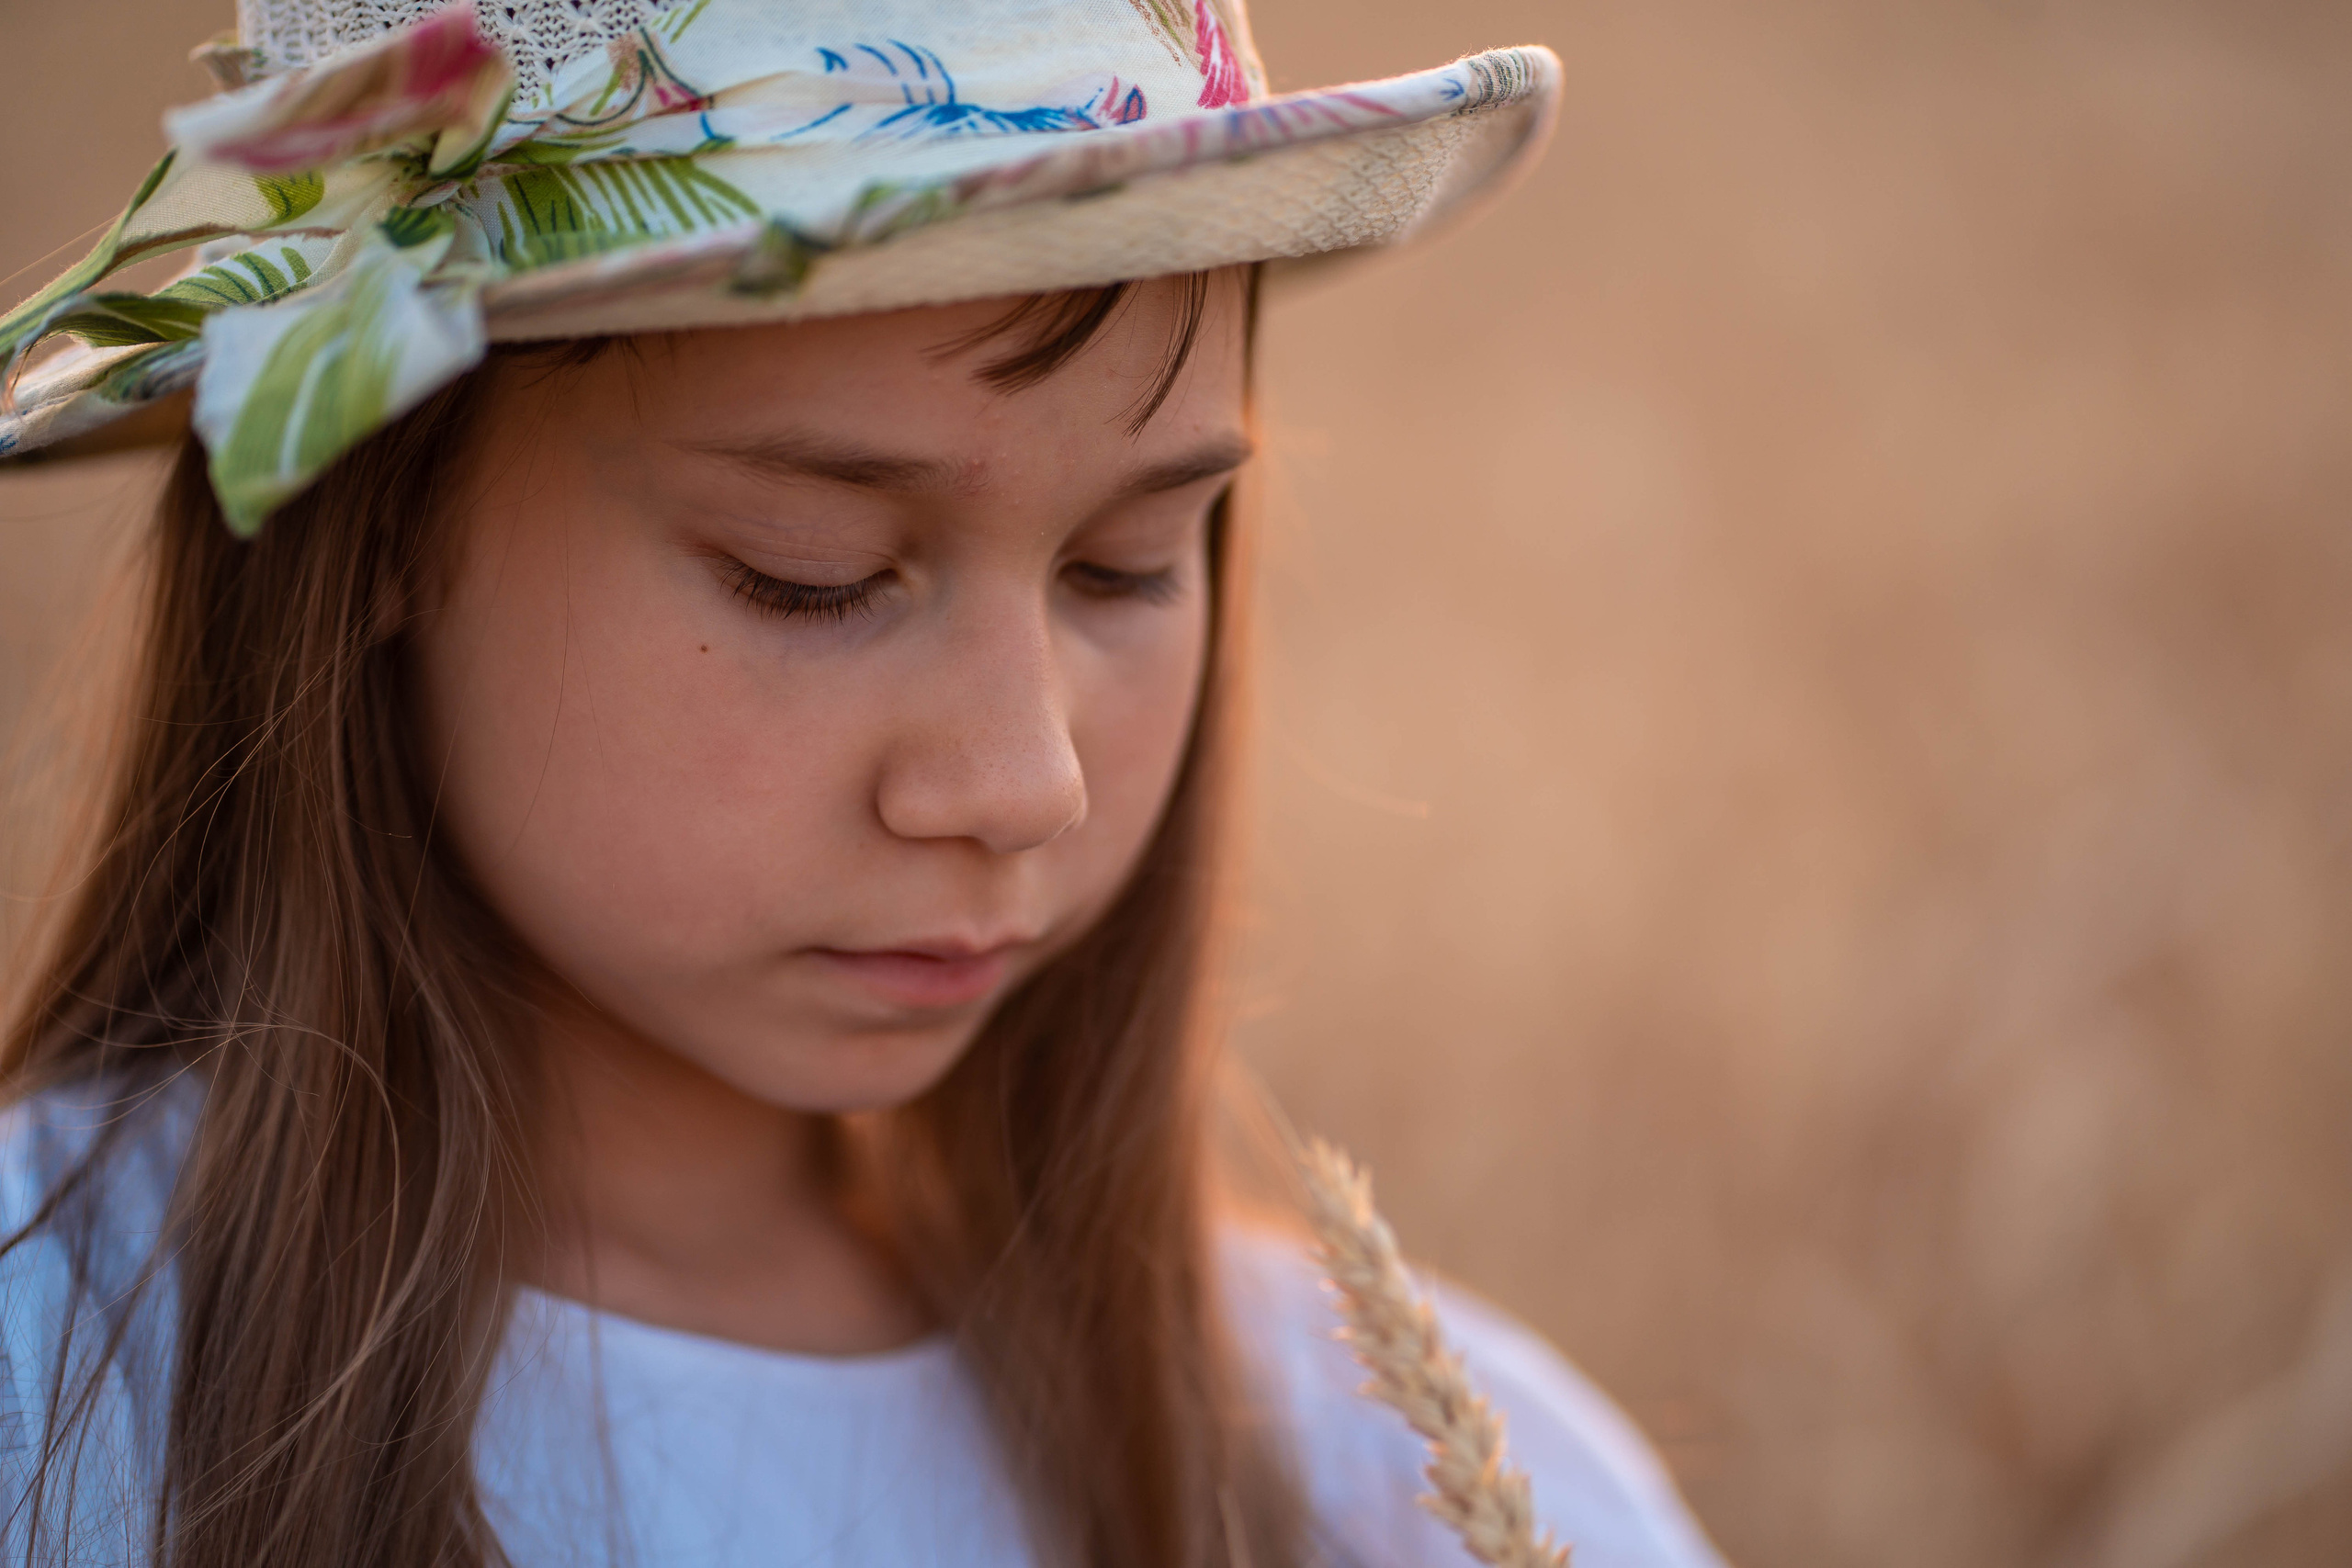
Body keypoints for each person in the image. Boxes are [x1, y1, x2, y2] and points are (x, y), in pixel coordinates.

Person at [0, 3, 1725, 1565]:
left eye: (1129, 564)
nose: (1022, 779)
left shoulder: (1422, 1491)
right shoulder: (49, 1394)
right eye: (809, 571)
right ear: (376, 505)